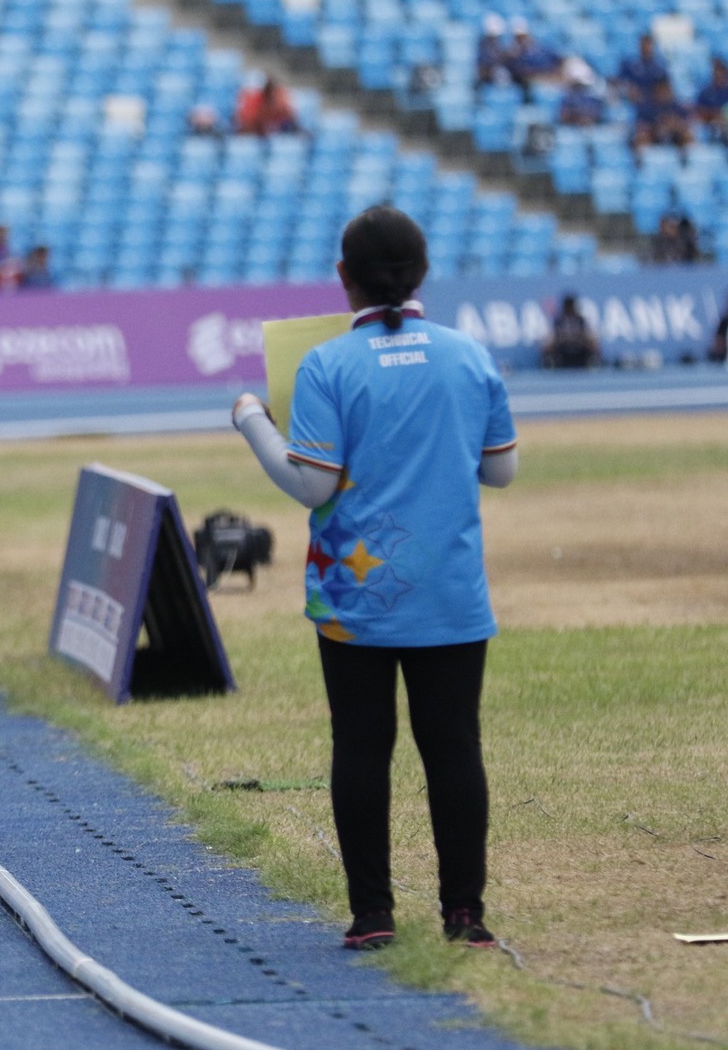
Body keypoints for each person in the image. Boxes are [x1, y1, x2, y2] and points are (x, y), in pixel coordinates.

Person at [230, 206, 518, 953]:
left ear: (343, 277)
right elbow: (501, 469)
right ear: (422, 272)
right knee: (454, 745)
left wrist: (253, 422)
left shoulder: (325, 364)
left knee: (361, 743)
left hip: (353, 589)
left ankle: (373, 913)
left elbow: (313, 487)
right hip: (450, 589)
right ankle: (465, 913)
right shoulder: (468, 356)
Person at [630, 76, 693, 151]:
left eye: (667, 89)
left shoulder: (677, 108)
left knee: (687, 135)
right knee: (642, 137)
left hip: (675, 137)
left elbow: (687, 123)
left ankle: (688, 161)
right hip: (654, 137)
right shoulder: (646, 108)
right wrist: (657, 127)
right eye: (662, 89)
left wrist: (676, 126)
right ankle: (644, 161)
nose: (665, 92)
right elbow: (641, 127)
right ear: (656, 90)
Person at [541, 293, 601, 367]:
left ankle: (594, 364)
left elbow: (589, 336)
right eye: (567, 307)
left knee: (593, 349)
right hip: (563, 351)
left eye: (571, 306)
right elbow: (552, 338)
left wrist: (589, 343)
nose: (569, 309)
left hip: (580, 350)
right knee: (549, 352)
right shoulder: (559, 321)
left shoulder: (581, 320)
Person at [503, 18, 564, 90]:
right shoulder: (512, 55)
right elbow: (522, 73)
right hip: (530, 83)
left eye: (523, 37)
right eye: (518, 38)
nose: (521, 40)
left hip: (547, 78)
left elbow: (559, 60)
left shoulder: (541, 49)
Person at [614, 33, 669, 105]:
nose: (647, 48)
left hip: (654, 103)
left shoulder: (659, 68)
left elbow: (665, 88)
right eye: (644, 45)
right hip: (633, 102)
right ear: (640, 46)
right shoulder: (629, 65)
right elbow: (620, 82)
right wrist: (629, 89)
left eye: (649, 45)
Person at [235, 75, 301, 136]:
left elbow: (292, 118)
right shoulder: (254, 102)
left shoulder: (281, 99)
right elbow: (246, 125)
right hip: (255, 134)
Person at [555, 58, 606, 126]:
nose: (580, 89)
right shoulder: (568, 98)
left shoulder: (593, 98)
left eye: (582, 85)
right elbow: (563, 116)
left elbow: (598, 115)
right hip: (572, 127)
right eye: (577, 85)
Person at [691, 54, 728, 140]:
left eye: (721, 71)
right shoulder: (705, 92)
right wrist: (715, 115)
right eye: (716, 71)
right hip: (708, 124)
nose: (718, 74)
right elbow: (699, 111)